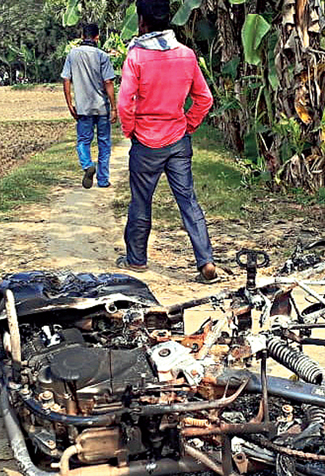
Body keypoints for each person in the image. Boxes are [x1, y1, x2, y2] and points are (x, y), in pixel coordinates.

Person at [116, 0, 217, 282]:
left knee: (140, 201)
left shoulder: (135, 57)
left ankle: (136, 260)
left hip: (146, 141)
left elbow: (125, 104)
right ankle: (205, 260)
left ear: (141, 21)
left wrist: (130, 130)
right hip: (177, 139)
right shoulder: (186, 55)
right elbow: (204, 99)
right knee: (188, 201)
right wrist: (190, 124)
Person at [61, 23, 118, 189]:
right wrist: (114, 108)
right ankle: (103, 180)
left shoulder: (72, 54)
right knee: (104, 144)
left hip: (83, 107)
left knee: (83, 141)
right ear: (97, 37)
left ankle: (87, 165)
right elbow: (108, 82)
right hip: (101, 107)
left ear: (81, 36)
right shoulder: (102, 56)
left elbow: (66, 79)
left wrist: (70, 104)